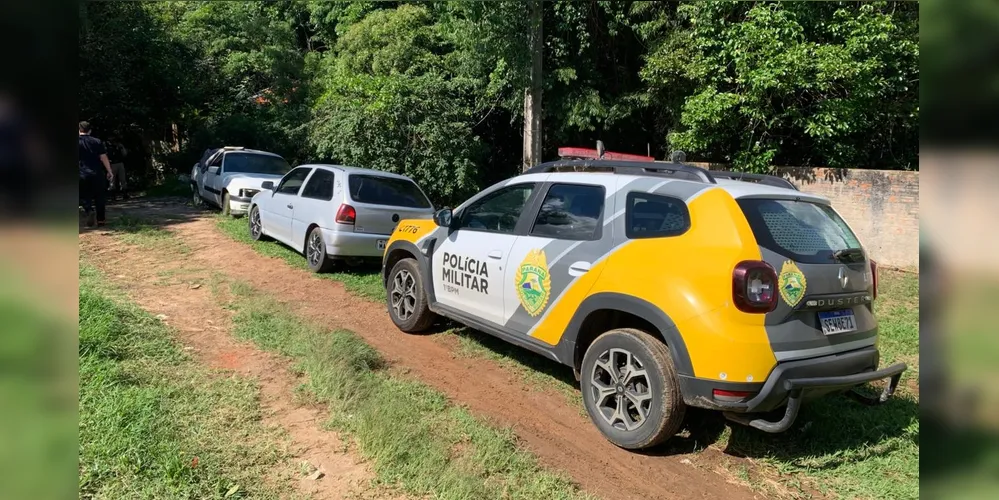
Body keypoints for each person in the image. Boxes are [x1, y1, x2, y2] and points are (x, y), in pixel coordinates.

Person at [78, 121, 112, 227]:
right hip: (97, 173)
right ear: (90, 130)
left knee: (82, 195)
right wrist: (109, 171)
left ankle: (89, 210)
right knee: (100, 196)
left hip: (81, 173)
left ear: (79, 130)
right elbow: (103, 157)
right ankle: (101, 220)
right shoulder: (97, 141)